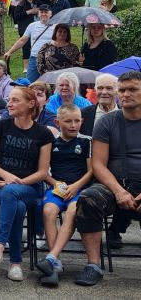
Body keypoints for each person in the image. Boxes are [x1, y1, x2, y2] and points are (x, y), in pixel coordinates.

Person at [73, 71, 141, 286]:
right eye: (122, 90)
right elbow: (98, 164)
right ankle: (93, 265)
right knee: (88, 199)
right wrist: (119, 191)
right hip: (114, 185)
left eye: (132, 89)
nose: (126, 94)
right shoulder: (108, 122)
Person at [0, 87, 53, 281]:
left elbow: (42, 172)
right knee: (17, 207)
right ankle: (15, 263)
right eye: (9, 100)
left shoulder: (43, 134)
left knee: (13, 193)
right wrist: (6, 175)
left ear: (31, 104)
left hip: (30, 188)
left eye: (14, 100)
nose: (9, 104)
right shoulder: (1, 127)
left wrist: (16, 181)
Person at [35, 105, 93, 286]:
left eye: (77, 120)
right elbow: (43, 171)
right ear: (57, 122)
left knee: (72, 212)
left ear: (82, 122)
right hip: (57, 188)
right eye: (68, 121)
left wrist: (75, 187)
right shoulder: (51, 143)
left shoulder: (86, 142)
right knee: (48, 211)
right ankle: (56, 262)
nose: (73, 124)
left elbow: (92, 171)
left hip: (79, 188)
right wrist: (55, 184)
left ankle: (51, 258)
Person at [4, 4, 55, 82]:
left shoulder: (56, 26)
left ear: (51, 14)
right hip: (35, 58)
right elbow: (22, 40)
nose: (43, 14)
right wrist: (10, 52)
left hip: (51, 58)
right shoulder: (32, 26)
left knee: (50, 83)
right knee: (30, 83)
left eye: (46, 12)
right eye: (41, 12)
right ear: (38, 13)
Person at [13, 0, 40, 73]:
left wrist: (39, 11)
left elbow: (46, 12)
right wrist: (29, 12)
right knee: (26, 46)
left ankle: (39, 64)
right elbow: (16, 17)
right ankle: (26, 67)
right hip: (25, 28)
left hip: (38, 27)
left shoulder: (39, 3)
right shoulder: (21, 4)